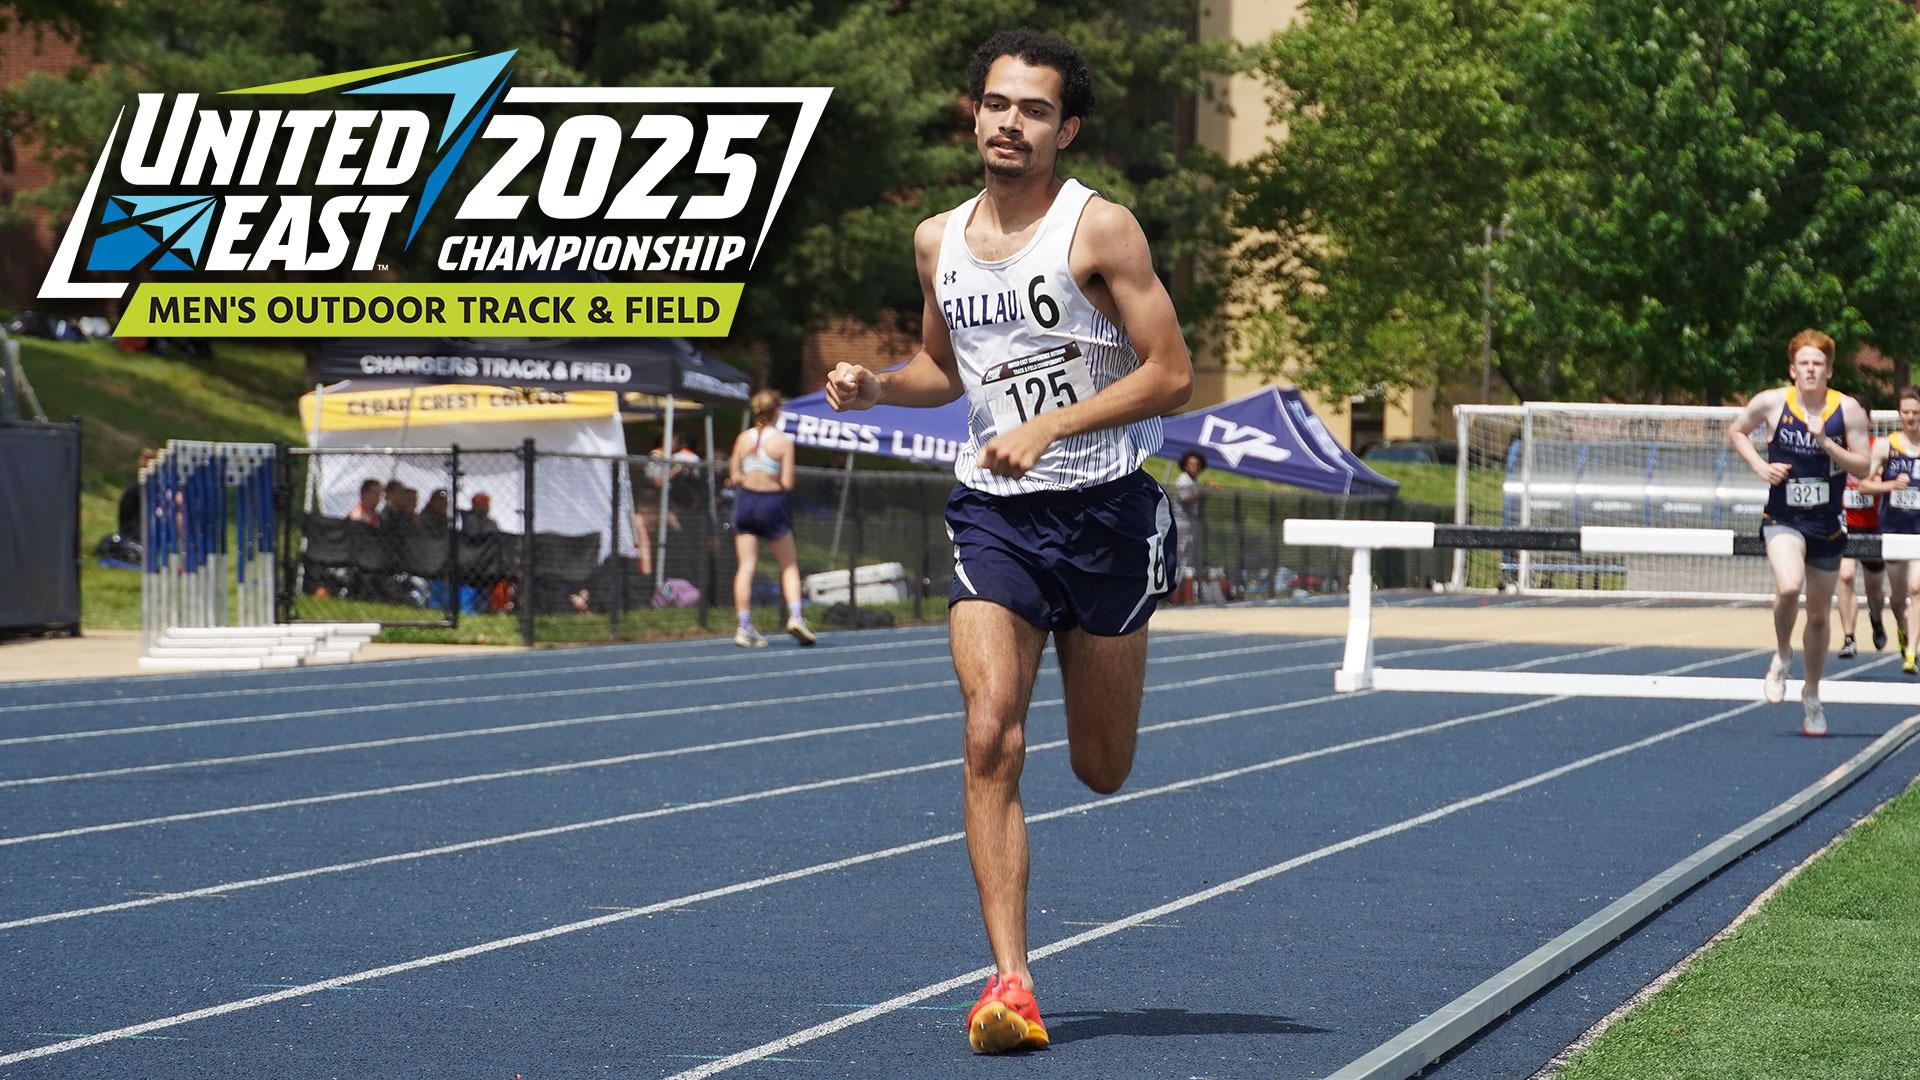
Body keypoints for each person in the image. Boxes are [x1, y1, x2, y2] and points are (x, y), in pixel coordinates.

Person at [826, 28, 1192, 1054]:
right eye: (995, 104)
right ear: (972, 113)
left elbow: (1170, 373)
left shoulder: (1100, 231)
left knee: (1102, 767)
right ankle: (1013, 985)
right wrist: (877, 384)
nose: (1009, 124)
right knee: (990, 732)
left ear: (1064, 129)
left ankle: (1112, 641)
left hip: (1108, 510)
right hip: (995, 514)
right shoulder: (937, 240)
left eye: (1033, 110)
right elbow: (943, 371)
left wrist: (1054, 425)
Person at [1727, 329, 1871, 737]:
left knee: (1820, 614)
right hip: (1784, 517)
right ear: (1792, 370)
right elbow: (1737, 430)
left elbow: (1862, 468)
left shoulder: (1848, 410)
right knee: (1789, 587)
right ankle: (1781, 654)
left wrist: (1826, 441)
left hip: (1827, 523)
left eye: (1818, 364)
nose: (1811, 370)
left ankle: (1811, 695)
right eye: (1804, 364)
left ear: (1829, 370)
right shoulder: (1772, 403)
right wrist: (1760, 466)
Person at [728, 389, 813, 647]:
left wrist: (751, 474)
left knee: (746, 566)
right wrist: (770, 477)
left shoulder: (743, 438)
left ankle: (744, 625)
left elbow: (735, 476)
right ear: (777, 412)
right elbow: (787, 482)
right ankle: (796, 616)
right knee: (788, 565)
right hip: (771, 502)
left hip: (746, 502)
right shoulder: (783, 442)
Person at [1861, 386, 1920, 673]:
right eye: (1906, 412)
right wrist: (1890, 485)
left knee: (1917, 587)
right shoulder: (1886, 445)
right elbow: (1864, 484)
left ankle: (1911, 654)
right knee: (1898, 598)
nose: (1910, 417)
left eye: (1916, 412)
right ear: (1899, 413)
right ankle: (1902, 629)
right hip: (1894, 527)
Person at [1835, 436, 1888, 659]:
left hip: (1872, 526)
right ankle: (1849, 637)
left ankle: (1876, 620)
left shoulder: (1877, 448)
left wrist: (1876, 479)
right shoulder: (1836, 447)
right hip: (1845, 526)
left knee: (1874, 590)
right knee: (1845, 577)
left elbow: (1888, 477)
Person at [1170, 450, 1219, 599]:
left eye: (1197, 465)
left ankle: (1176, 592)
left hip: (1191, 524)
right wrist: (1204, 491)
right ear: (1185, 466)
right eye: (1191, 464)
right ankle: (1170, 592)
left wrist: (1207, 491)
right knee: (1178, 555)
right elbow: (1186, 498)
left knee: (1186, 558)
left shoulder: (1194, 482)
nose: (1194, 467)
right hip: (1181, 524)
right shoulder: (1183, 480)